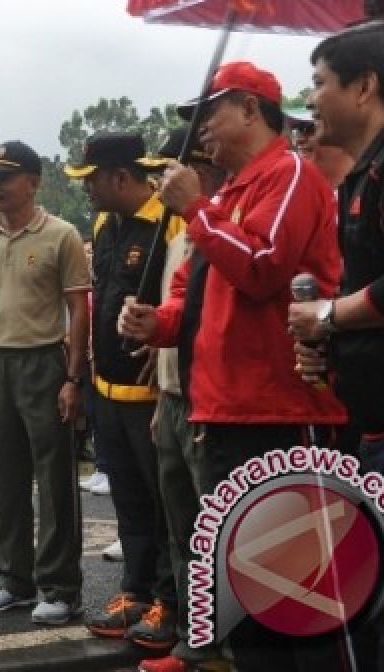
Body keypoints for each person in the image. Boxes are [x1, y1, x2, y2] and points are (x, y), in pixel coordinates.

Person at [121, 60, 347, 670]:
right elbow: (194, 298)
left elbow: (265, 270)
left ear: (250, 108)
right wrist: (156, 324)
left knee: (287, 591)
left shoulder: (291, 175)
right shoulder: (228, 192)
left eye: (207, 114)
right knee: (241, 585)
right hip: (218, 408)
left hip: (275, 409)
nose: (199, 133)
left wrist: (197, 212)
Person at [288, 20, 384, 671]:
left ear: (365, 86)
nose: (310, 101)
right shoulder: (366, 173)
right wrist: (328, 345)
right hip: (379, 424)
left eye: (319, 83)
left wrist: (327, 318)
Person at [0, 141, 90, 625]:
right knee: (3, 477)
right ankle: (13, 578)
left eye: (6, 177)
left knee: (54, 479)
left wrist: (74, 377)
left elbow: (78, 309)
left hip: (44, 362)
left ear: (33, 182)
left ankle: (60, 586)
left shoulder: (62, 235)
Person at [65, 132, 179, 647]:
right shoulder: (104, 223)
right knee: (129, 503)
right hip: (106, 388)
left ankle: (168, 601)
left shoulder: (170, 220)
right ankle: (134, 590)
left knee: (164, 506)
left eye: (92, 180)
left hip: (151, 397)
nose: (87, 190)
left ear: (121, 177)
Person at [137, 129, 228, 672]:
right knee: (183, 526)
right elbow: (178, 317)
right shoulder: (180, 231)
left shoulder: (219, 223)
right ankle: (197, 640)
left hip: (206, 397)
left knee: (218, 526)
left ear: (201, 166)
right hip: (171, 394)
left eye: (172, 167)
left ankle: (228, 645)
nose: (162, 179)